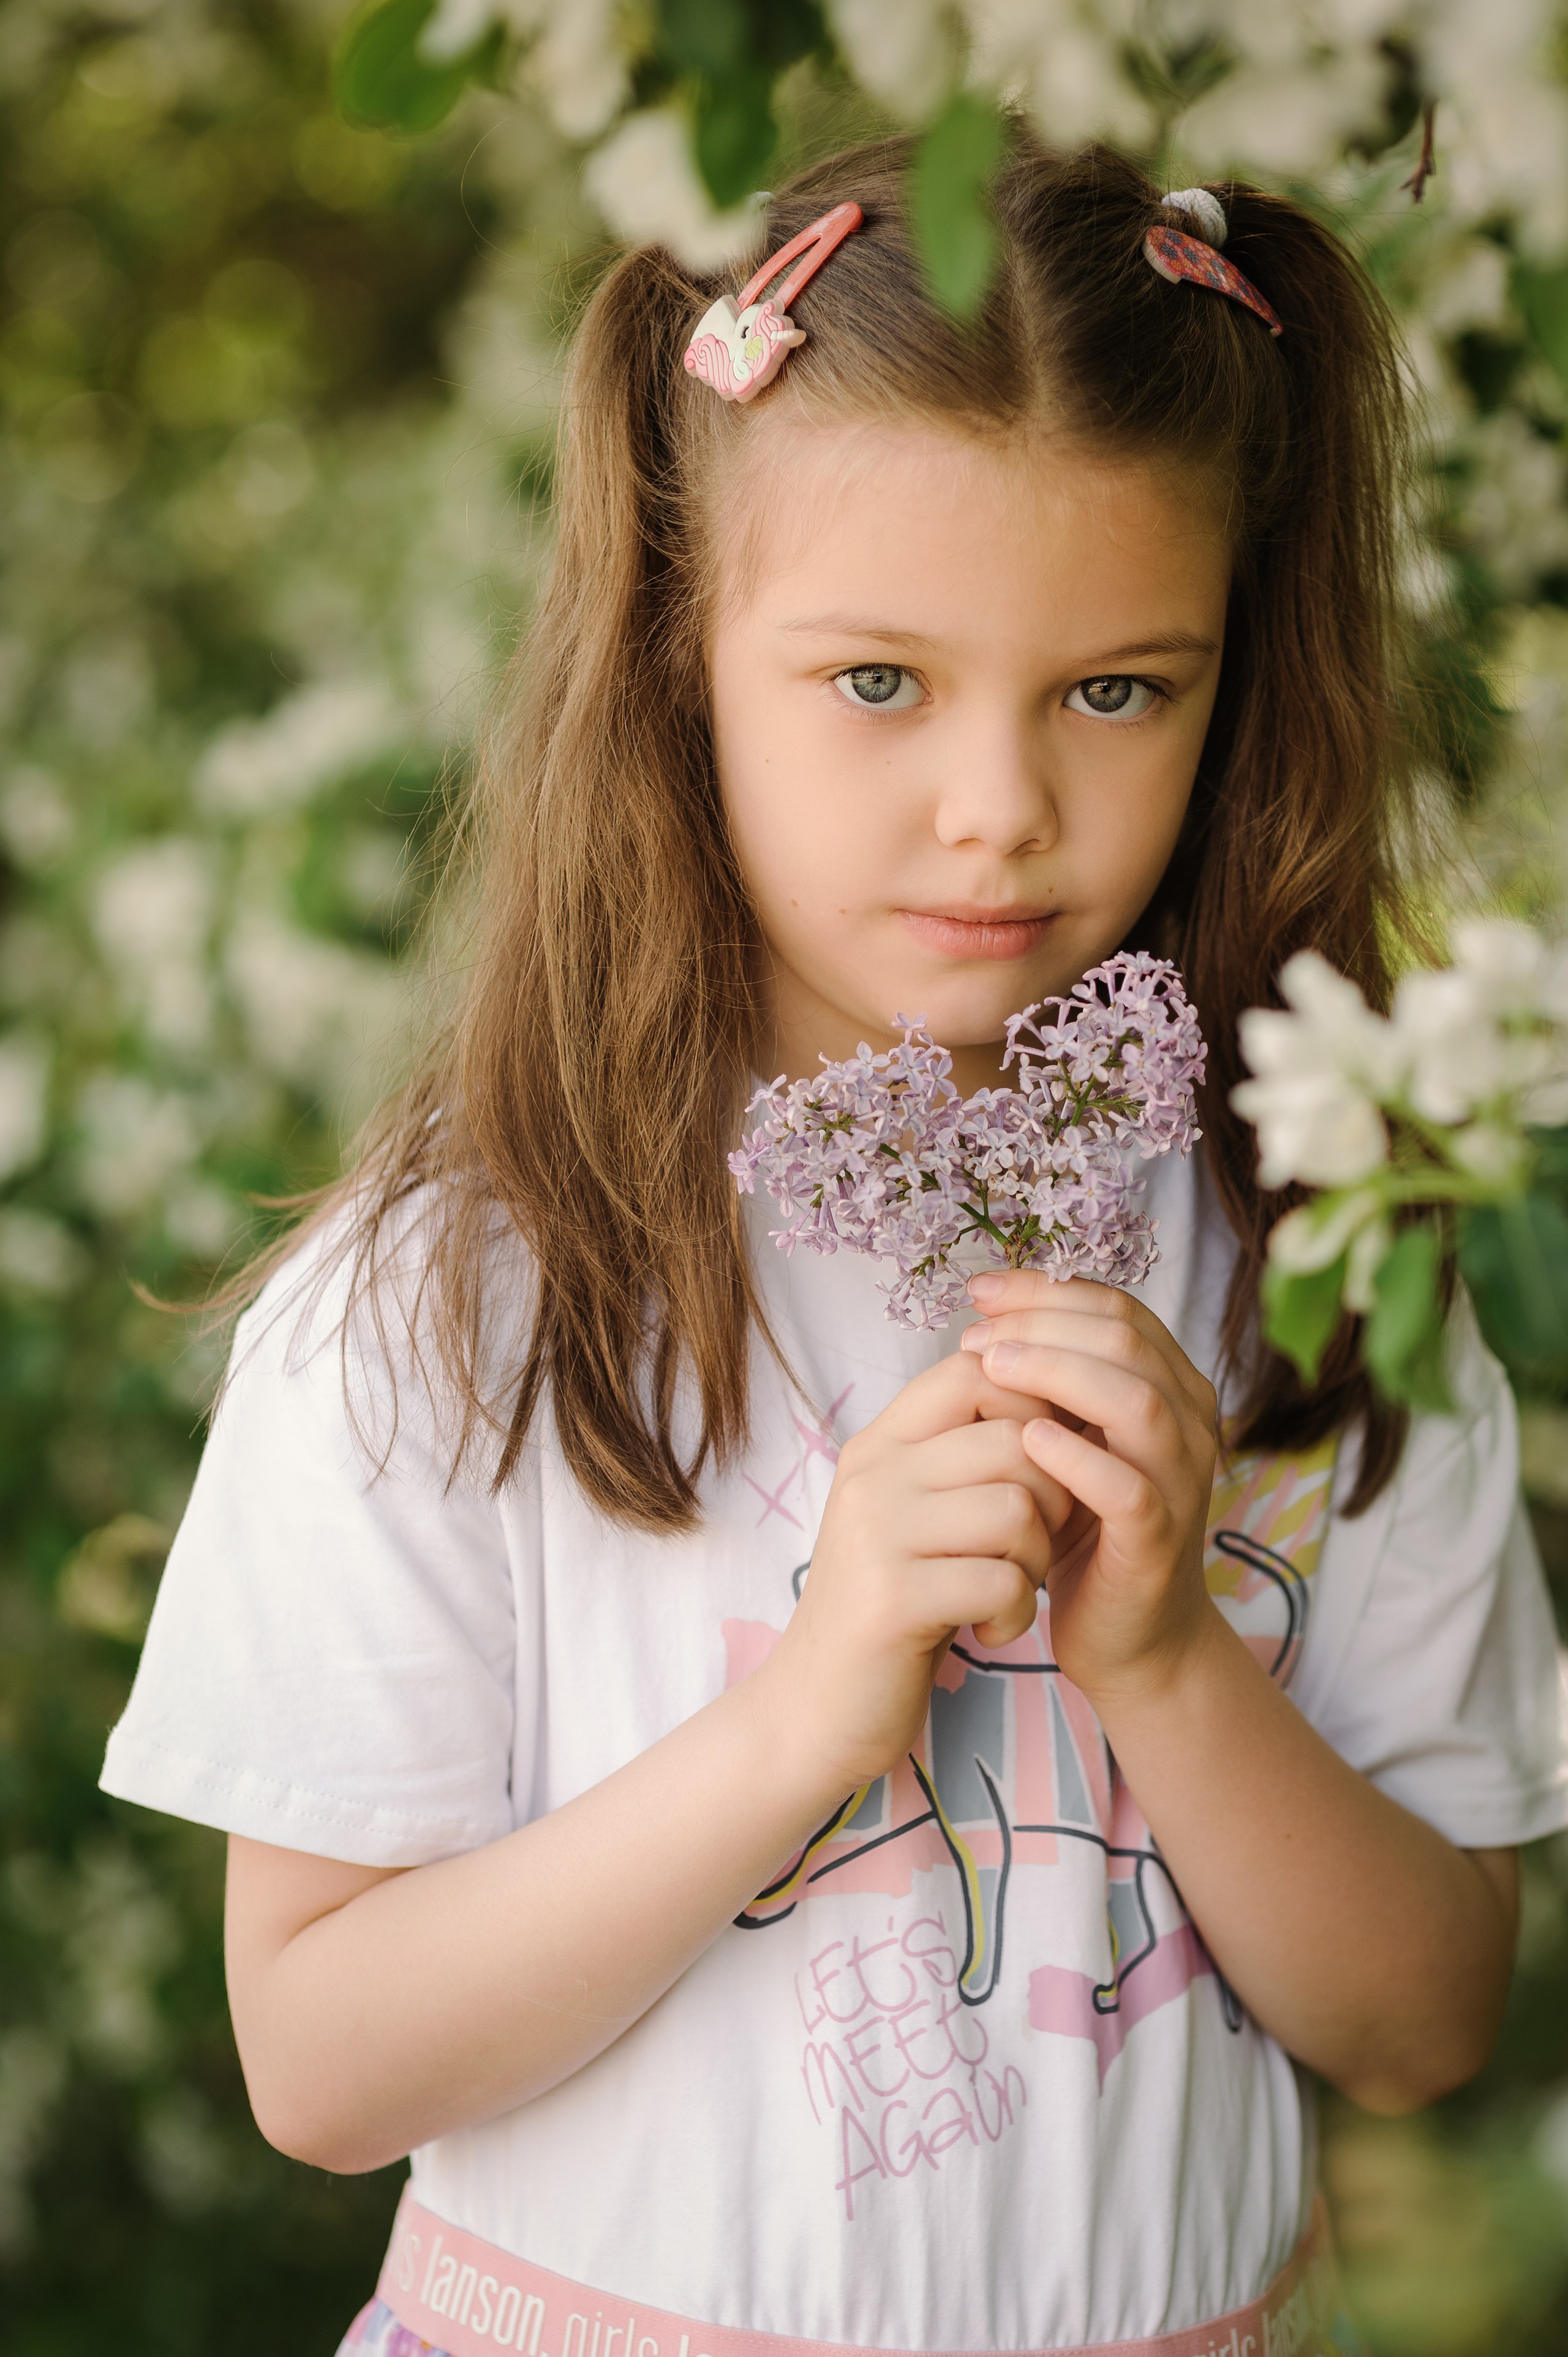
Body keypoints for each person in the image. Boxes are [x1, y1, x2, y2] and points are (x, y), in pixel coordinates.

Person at [101, 134, 1568, 2357]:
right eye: (878, 681)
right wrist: (808, 1711)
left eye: (1118, 689)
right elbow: (319, 2065)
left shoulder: (1317, 1252)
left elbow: (1425, 2020)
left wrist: (1166, 1655)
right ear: (681, 647)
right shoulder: (460, 1299)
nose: (998, 803)